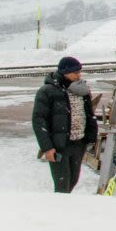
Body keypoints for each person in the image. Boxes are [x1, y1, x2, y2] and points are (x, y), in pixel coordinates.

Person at [32, 56, 98, 194]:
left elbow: (89, 114)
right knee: (62, 185)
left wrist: (91, 135)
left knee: (73, 180)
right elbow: (39, 121)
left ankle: (65, 210)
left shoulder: (82, 91)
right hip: (60, 145)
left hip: (79, 143)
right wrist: (47, 148)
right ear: (65, 72)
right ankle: (59, 212)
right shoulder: (47, 91)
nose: (78, 75)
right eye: (75, 72)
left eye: (79, 72)